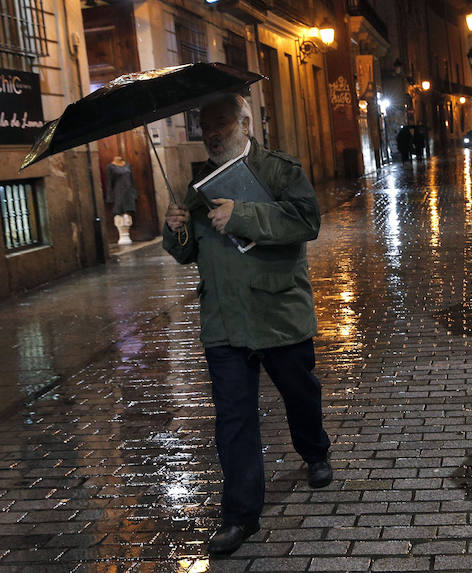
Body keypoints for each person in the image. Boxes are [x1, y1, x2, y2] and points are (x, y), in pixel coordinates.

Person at [162, 93, 332, 556]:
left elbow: (306, 221)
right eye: (205, 125)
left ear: (245, 122)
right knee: (234, 419)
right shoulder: (196, 184)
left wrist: (244, 215)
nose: (212, 133)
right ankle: (239, 517)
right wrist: (175, 227)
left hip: (278, 312)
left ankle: (315, 451)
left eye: (221, 122)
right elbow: (186, 252)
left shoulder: (279, 169)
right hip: (223, 320)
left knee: (300, 392)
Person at [105, 155, 138, 245]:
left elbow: (131, 180)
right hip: (118, 192)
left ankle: (127, 234)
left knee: (128, 213)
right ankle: (122, 235)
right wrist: (110, 197)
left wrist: (134, 193)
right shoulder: (110, 167)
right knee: (119, 212)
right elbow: (109, 182)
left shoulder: (127, 165)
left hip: (128, 192)